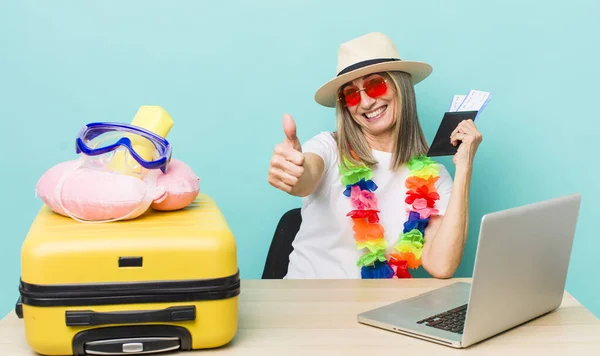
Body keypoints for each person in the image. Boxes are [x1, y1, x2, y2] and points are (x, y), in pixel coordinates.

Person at [267, 32, 482, 279]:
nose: (366, 102)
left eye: (375, 85)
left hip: (372, 311)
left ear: (400, 87)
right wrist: (293, 172)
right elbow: (307, 174)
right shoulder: (329, 147)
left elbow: (441, 266)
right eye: (351, 94)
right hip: (308, 303)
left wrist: (465, 166)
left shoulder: (433, 177)